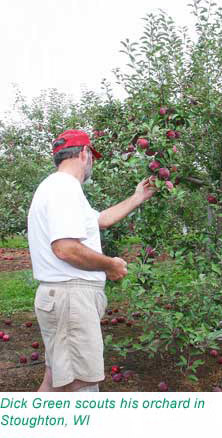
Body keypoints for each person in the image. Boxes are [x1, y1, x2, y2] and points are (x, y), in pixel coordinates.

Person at [27, 129, 156, 392]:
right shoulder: (64, 188)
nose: (92, 164)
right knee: (81, 384)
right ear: (85, 153)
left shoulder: (58, 188)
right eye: (92, 157)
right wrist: (110, 265)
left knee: (56, 381)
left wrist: (137, 197)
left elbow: (100, 221)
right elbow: (65, 248)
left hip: (62, 298)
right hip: (71, 299)